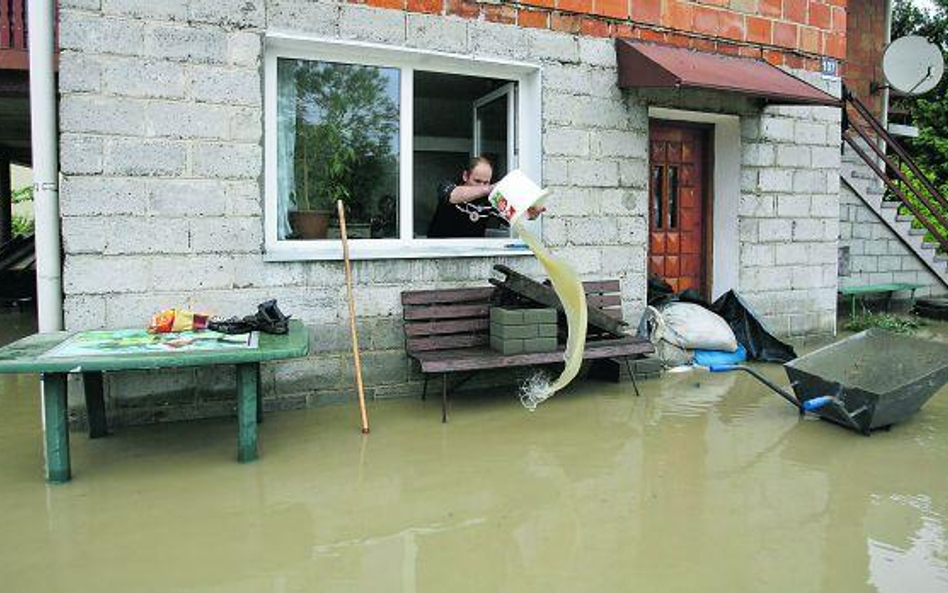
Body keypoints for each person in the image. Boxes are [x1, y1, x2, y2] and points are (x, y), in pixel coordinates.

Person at [426, 156, 544, 238]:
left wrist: (531, 213)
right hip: (438, 256)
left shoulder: (491, 201)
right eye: (477, 181)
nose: (482, 186)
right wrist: (490, 188)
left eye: (486, 182)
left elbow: (514, 218)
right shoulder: (448, 186)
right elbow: (451, 196)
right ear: (465, 176)